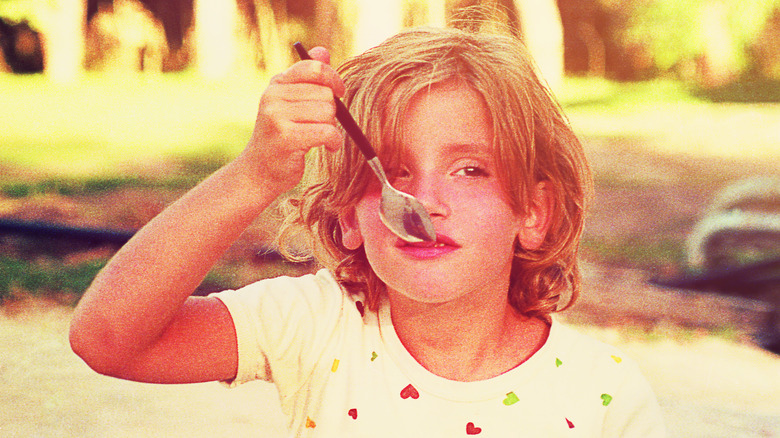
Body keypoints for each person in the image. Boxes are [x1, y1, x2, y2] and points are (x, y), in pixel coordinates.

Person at [70, 26, 665, 436]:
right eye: (394, 172)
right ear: (349, 217)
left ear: (533, 213)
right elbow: (107, 340)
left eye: (469, 170)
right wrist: (254, 175)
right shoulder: (316, 324)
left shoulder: (604, 393)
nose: (426, 201)